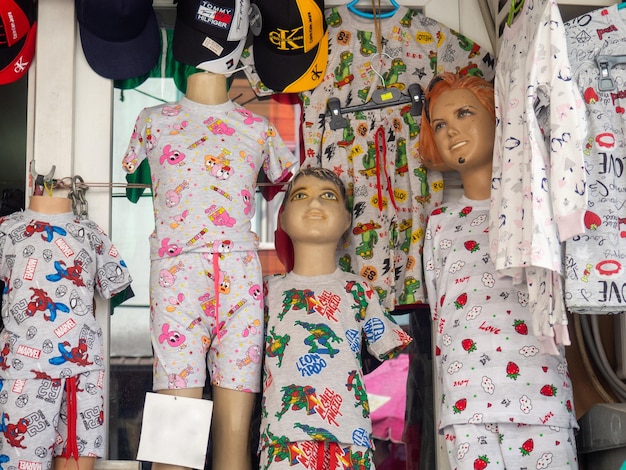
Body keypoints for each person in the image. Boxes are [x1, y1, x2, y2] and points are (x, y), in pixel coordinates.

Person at [121, 71, 299, 470]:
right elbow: (132, 168)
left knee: (233, 444)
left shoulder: (258, 127)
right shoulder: (153, 119)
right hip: (176, 274)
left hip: (241, 279)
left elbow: (283, 179)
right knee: (174, 441)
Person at [419, 72, 579, 470]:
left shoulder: (536, 208)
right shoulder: (438, 224)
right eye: (440, 124)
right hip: (466, 403)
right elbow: (442, 321)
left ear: (498, 117)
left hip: (541, 396)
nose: (451, 130)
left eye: (464, 113)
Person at [260, 167, 412, 469]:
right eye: (301, 196)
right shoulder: (265, 293)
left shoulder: (358, 291)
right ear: (284, 218)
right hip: (283, 442)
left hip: (350, 440)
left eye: (327, 196)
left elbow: (385, 351)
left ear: (346, 219)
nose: (314, 204)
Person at [0, 193, 133, 470]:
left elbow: (114, 284)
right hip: (24, 370)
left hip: (83, 374)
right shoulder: (5, 230)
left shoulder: (92, 233)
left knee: (78, 459)